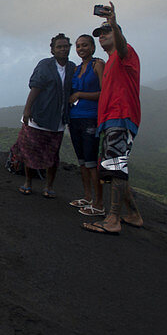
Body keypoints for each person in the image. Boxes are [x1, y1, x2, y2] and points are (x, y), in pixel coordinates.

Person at [83, 2, 144, 234]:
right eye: (99, 34)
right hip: (109, 121)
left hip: (122, 116)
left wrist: (113, 22)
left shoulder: (125, 54)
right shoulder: (108, 63)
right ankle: (134, 214)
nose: (102, 36)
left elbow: (121, 43)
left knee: (116, 168)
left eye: (106, 32)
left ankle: (113, 220)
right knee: (113, 168)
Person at [16, 34, 76, 197]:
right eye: (59, 47)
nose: (63, 49)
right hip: (38, 116)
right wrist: (27, 110)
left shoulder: (72, 67)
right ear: (52, 50)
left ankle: (49, 187)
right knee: (30, 151)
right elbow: (35, 87)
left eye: (66, 46)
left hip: (57, 119)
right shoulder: (45, 65)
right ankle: (28, 182)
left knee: (53, 154)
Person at [67, 34, 105, 215]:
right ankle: (87, 197)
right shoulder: (76, 68)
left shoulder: (98, 64)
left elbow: (105, 92)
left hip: (91, 117)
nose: (81, 49)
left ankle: (98, 204)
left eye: (85, 45)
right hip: (74, 118)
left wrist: (81, 94)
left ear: (92, 47)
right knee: (82, 161)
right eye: (78, 46)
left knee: (91, 161)